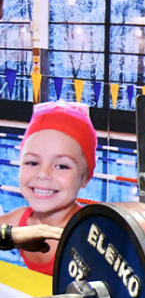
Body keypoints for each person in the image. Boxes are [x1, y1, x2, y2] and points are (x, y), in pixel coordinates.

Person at [0, 100, 97, 275]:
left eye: (61, 166)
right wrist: (10, 236)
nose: (43, 174)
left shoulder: (88, 234)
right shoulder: (19, 221)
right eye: (32, 162)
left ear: (85, 177)